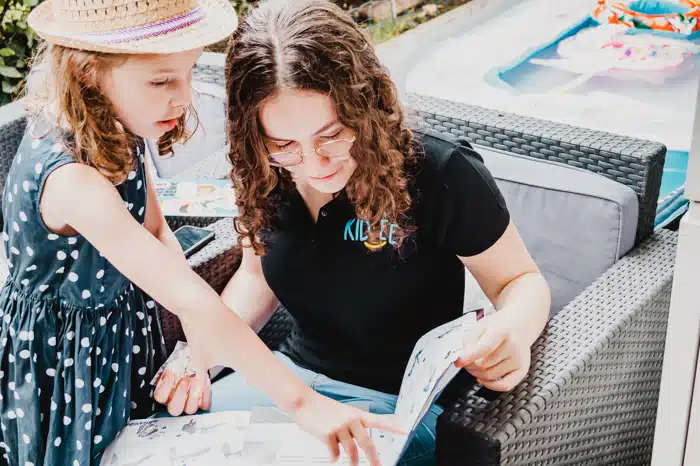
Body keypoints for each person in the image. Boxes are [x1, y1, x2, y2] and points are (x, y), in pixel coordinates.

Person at [0, 1, 404, 465]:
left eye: (188, 72)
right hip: (66, 364)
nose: (184, 97)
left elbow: (157, 232)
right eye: (161, 81)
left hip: (114, 339)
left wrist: (196, 351)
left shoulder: (110, 125)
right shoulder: (73, 180)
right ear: (88, 73)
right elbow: (189, 296)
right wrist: (303, 403)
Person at [155, 0, 551, 465]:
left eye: (332, 135)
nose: (314, 165)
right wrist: (203, 352)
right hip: (286, 382)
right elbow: (256, 278)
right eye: (285, 145)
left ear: (366, 105)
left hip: (396, 406)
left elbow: (520, 282)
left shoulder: (440, 173)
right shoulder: (264, 171)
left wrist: (513, 331)